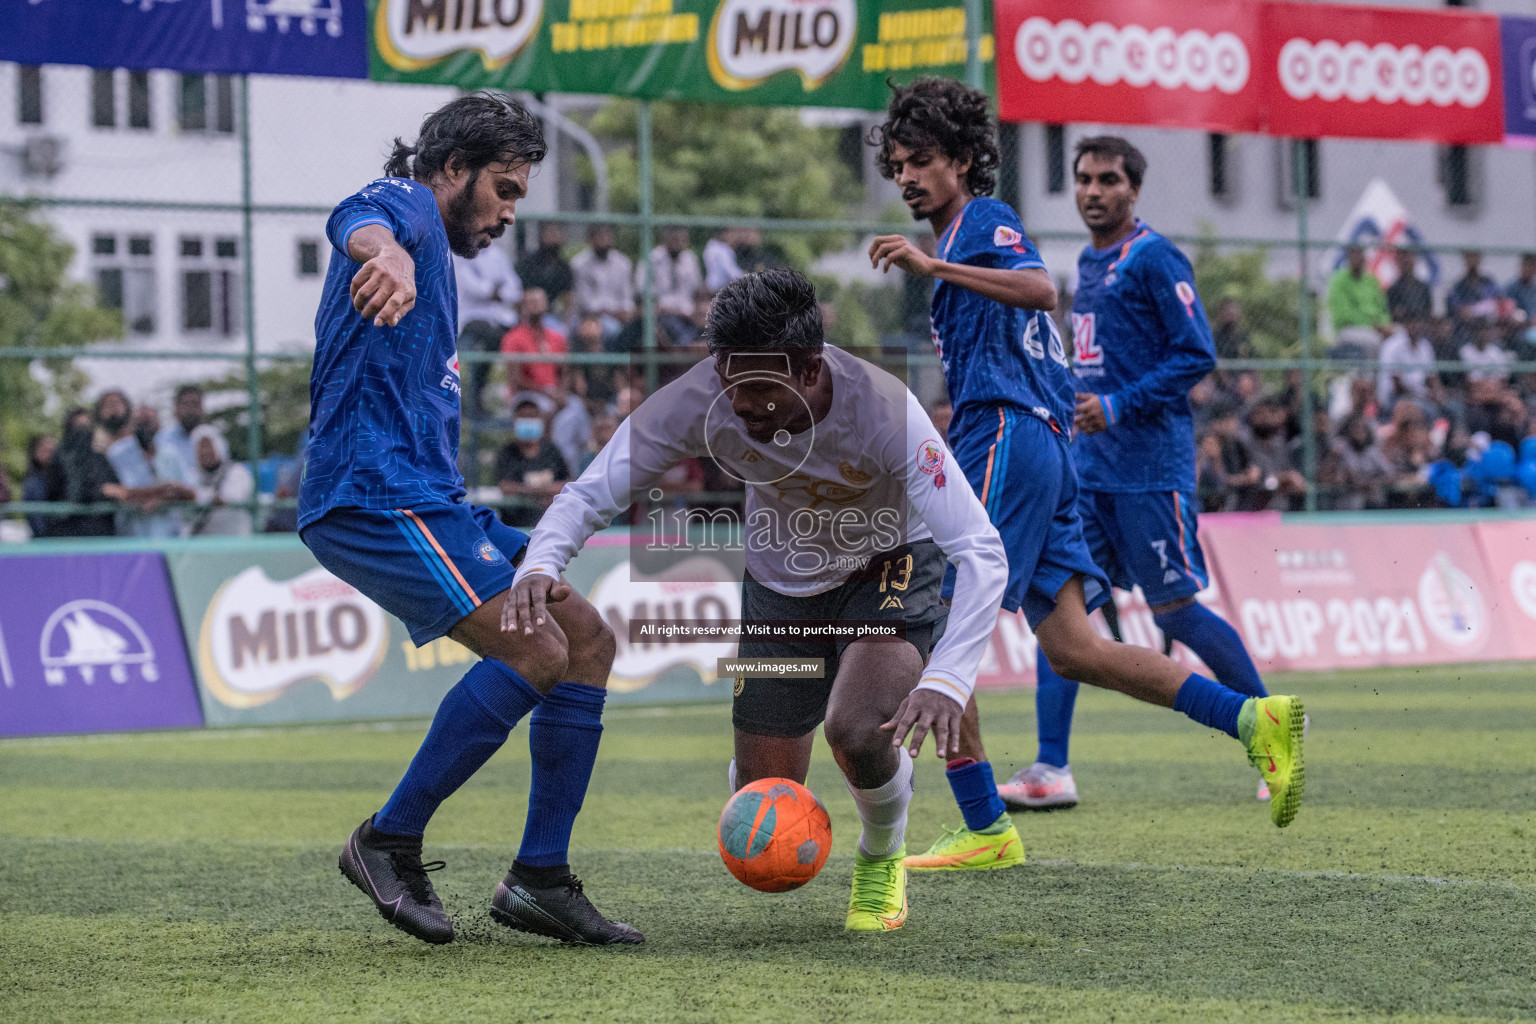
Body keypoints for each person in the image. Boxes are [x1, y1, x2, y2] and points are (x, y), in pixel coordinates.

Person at [865, 82, 1307, 875]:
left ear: (964, 161)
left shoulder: (981, 223)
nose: (906, 177)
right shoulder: (963, 237)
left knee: (934, 611)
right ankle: (1251, 721)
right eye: (897, 164)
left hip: (1009, 437)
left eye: (922, 160)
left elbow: (1039, 288)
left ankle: (983, 825)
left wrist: (937, 265)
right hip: (1045, 444)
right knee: (1073, 648)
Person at [505, 268, 1012, 933]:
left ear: (809, 369)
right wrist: (540, 563)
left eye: (759, 390)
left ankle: (881, 855)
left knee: (857, 731)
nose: (739, 406)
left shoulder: (885, 410)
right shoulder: (697, 400)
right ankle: (767, 746)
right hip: (782, 582)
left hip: (889, 563)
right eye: (727, 380)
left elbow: (981, 551)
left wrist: (948, 677)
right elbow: (587, 493)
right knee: (760, 799)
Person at [298, 92, 639, 947]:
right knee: (537, 647)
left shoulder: (438, 253)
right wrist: (389, 256)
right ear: (452, 171)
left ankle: (539, 878)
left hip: (431, 500)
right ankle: (388, 837)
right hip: (373, 496)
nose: (510, 212)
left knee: (588, 639)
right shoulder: (408, 208)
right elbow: (356, 215)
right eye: (505, 188)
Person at [1059, 134, 1279, 805]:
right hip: (1091, 471)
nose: (1093, 191)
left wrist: (1119, 404)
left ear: (1134, 189)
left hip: (1150, 470)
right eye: (1084, 179)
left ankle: (1272, 729)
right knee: (1059, 606)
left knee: (1178, 612)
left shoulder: (1155, 257)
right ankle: (1048, 767)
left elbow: (1196, 353)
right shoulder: (1086, 262)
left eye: (1108, 180)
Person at [99, 391, 193, 538]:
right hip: (132, 537)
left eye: (149, 422)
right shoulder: (117, 453)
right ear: (131, 424)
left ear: (158, 424)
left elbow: (188, 490)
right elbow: (114, 490)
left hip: (168, 537)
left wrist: (160, 498)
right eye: (140, 423)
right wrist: (160, 491)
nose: (145, 428)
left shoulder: (170, 454)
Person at [454, 239, 521, 416]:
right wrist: (497, 290)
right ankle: (477, 393)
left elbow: (515, 289)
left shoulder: (498, 255)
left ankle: (514, 394)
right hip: (471, 317)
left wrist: (496, 291)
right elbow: (475, 289)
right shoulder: (462, 254)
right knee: (491, 337)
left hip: (502, 317)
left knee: (519, 334)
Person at [495, 400, 570, 528]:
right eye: (523, 417)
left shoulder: (551, 450)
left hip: (551, 524)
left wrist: (525, 490)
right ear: (515, 421)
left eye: (532, 417)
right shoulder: (508, 452)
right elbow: (505, 486)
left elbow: (566, 483)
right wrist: (542, 491)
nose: (528, 421)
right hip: (516, 526)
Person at [640, 226, 704, 347]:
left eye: (682, 240)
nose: (678, 243)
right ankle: (681, 360)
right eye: (674, 239)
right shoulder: (653, 259)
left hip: (688, 313)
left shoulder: (690, 259)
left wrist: (698, 310)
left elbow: (697, 290)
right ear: (665, 239)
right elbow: (644, 292)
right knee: (680, 333)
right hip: (664, 313)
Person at [186, 424, 255, 535]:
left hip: (233, 544)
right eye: (200, 447)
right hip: (203, 548)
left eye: (208, 446)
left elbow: (233, 497)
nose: (204, 452)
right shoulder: (192, 475)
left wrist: (197, 497)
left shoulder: (237, 472)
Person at [570, 223, 634, 341]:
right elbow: (585, 303)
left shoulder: (623, 263)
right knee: (610, 329)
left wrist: (624, 311)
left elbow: (627, 299)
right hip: (587, 317)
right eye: (599, 235)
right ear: (591, 238)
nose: (604, 239)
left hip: (619, 317)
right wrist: (608, 312)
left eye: (607, 235)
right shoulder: (579, 263)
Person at [501, 287, 567, 401]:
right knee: (531, 411)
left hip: (555, 394)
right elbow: (516, 379)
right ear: (523, 307)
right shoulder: (512, 338)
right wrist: (546, 393)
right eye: (531, 302)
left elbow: (565, 372)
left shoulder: (557, 337)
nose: (536, 305)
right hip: (526, 396)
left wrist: (560, 394)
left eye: (539, 301)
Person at [1327, 245, 1390, 357]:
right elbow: (1343, 315)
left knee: (1400, 336)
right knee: (1373, 341)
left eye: (1359, 255)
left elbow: (1382, 308)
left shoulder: (1371, 280)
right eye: (1353, 255)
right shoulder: (1339, 281)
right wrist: (1373, 326)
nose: (1357, 259)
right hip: (1348, 329)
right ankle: (1370, 374)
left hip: (1375, 328)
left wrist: (1384, 325)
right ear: (1348, 259)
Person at [515, 221, 574, 326]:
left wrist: (565, 321)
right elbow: (519, 293)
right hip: (529, 314)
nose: (554, 238)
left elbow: (568, 298)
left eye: (558, 234)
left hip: (553, 315)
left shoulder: (564, 267)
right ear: (541, 236)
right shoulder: (529, 262)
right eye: (551, 234)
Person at [155, 384, 205, 485]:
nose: (190, 410)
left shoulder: (214, 440)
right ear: (175, 409)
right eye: (185, 405)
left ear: (202, 409)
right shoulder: (162, 439)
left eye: (195, 404)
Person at [1386, 247, 1433, 324]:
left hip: (1421, 327)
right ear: (1398, 262)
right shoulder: (1393, 290)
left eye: (1409, 257)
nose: (1406, 261)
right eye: (1403, 258)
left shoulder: (1423, 288)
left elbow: (1428, 311)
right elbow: (1392, 313)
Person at [22, 433, 56, 538]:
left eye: (51, 451)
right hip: (43, 537)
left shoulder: (58, 475)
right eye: (44, 450)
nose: (48, 454)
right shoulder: (33, 482)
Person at [703, 226, 745, 294]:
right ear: (725, 234)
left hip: (710, 286)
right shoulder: (724, 250)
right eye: (733, 233)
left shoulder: (711, 246)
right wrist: (746, 276)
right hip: (718, 289)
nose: (736, 237)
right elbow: (731, 272)